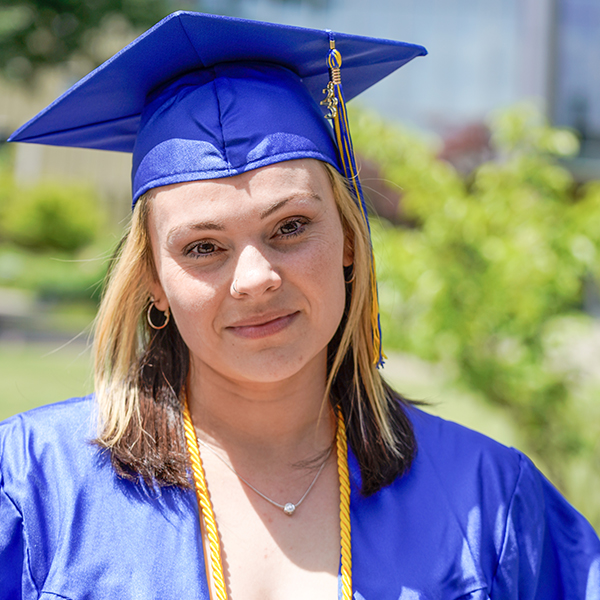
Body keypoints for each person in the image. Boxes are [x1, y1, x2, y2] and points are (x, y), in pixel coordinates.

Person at [1, 11, 599, 600]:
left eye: (289, 227)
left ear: (347, 237)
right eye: (203, 247)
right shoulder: (33, 492)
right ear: (154, 280)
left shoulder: (488, 499)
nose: (255, 278)